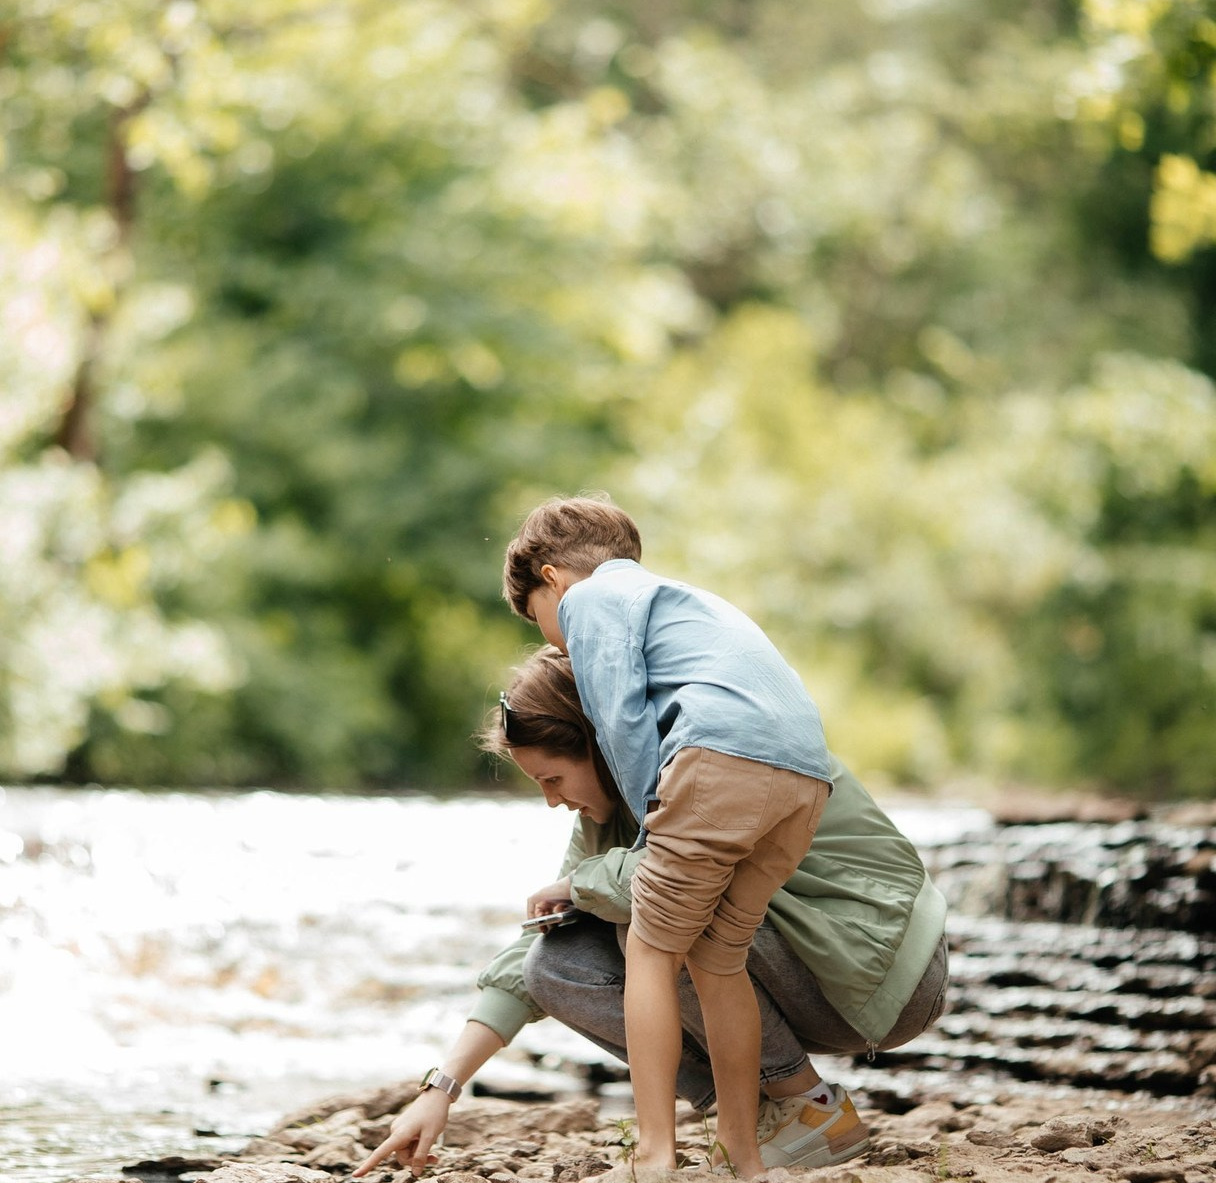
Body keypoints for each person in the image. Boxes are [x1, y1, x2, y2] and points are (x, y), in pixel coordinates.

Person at [352, 648, 948, 1180]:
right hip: (808, 976)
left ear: (598, 744)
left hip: (885, 973)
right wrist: (444, 1087)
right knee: (553, 963)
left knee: (658, 911)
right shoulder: (605, 811)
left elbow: (643, 888)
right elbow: (533, 953)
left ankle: (806, 1108)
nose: (552, 799)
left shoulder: (707, 754)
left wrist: (582, 883)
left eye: (554, 778)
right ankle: (768, 1112)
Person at [500, 496, 835, 1179]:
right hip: (803, 778)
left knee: (648, 946)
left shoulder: (590, 601)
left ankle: (655, 1155)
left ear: (552, 576)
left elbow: (620, 719)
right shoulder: (683, 601)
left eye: (536, 614)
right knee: (718, 959)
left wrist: (654, 831)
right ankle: (743, 1156)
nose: (550, 637)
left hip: (720, 758)